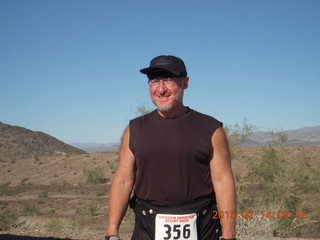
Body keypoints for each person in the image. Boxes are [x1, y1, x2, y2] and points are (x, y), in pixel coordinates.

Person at [105, 55, 237, 240]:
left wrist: (229, 234)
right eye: (155, 81)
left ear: (185, 82)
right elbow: (123, 181)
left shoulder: (211, 128)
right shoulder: (134, 129)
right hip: (147, 228)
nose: (161, 89)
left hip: (204, 227)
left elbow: (223, 181)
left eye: (168, 80)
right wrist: (112, 232)